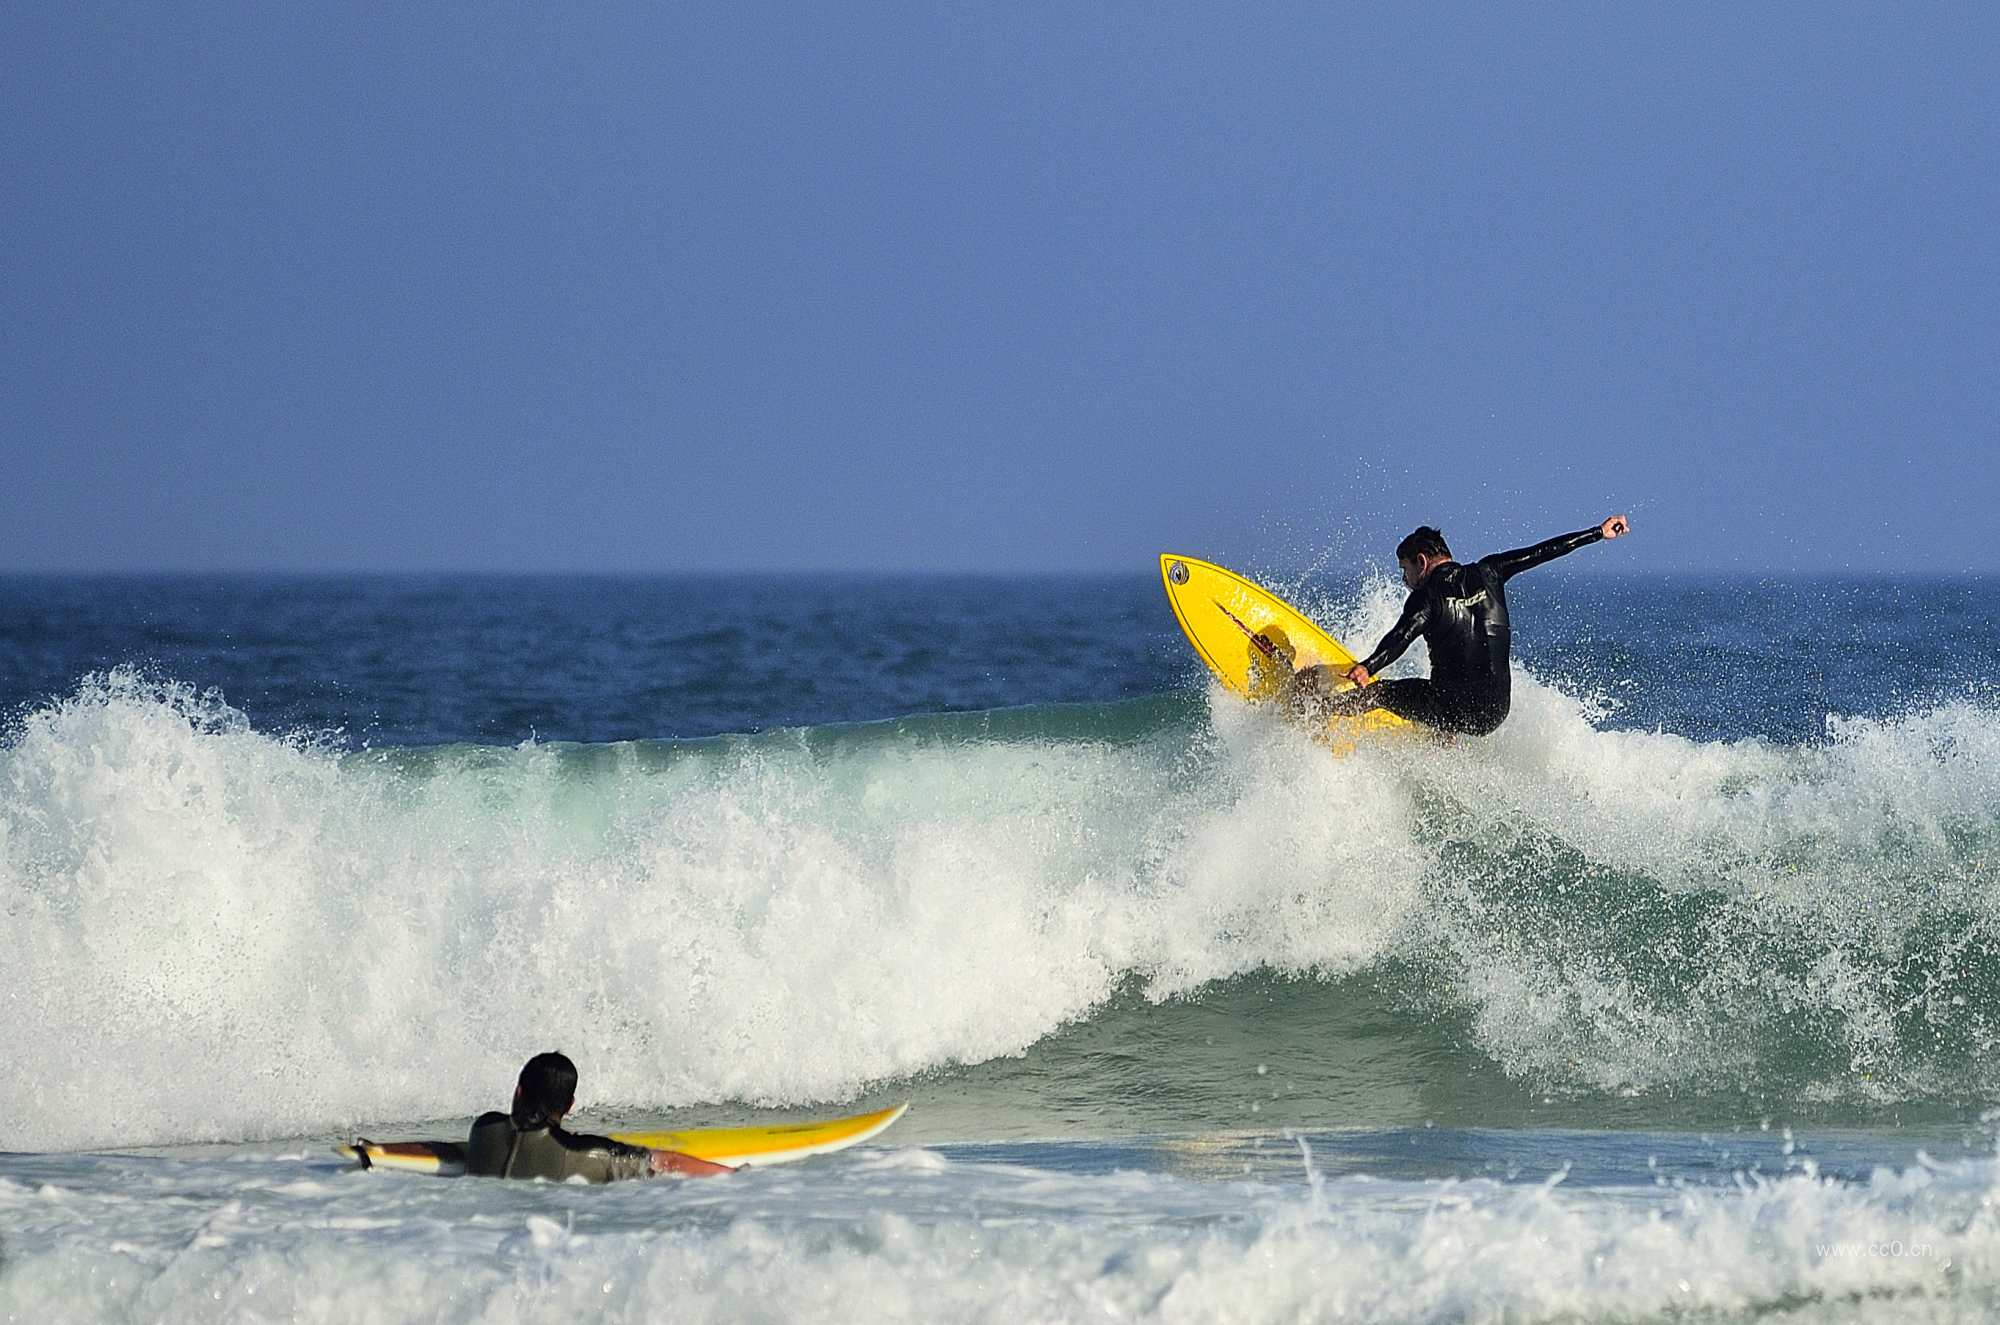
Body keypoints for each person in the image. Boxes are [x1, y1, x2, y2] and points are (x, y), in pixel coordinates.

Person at [1294, 516, 1630, 735]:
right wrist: (1596, 534)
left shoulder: (1428, 598)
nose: (1405, 579)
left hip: (1456, 708)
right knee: (1450, 689)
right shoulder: (1491, 571)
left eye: (1405, 569)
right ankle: (1443, 748)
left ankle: (1313, 715)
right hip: (1497, 710)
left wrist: (1369, 667)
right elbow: (1543, 551)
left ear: (1422, 562)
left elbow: (1401, 636)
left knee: (1381, 694)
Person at [466, 1051, 733, 1182]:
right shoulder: (590, 1153)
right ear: (570, 1105)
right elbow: (666, 1162)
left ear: (519, 1091)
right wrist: (739, 1175)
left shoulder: (482, 1129)